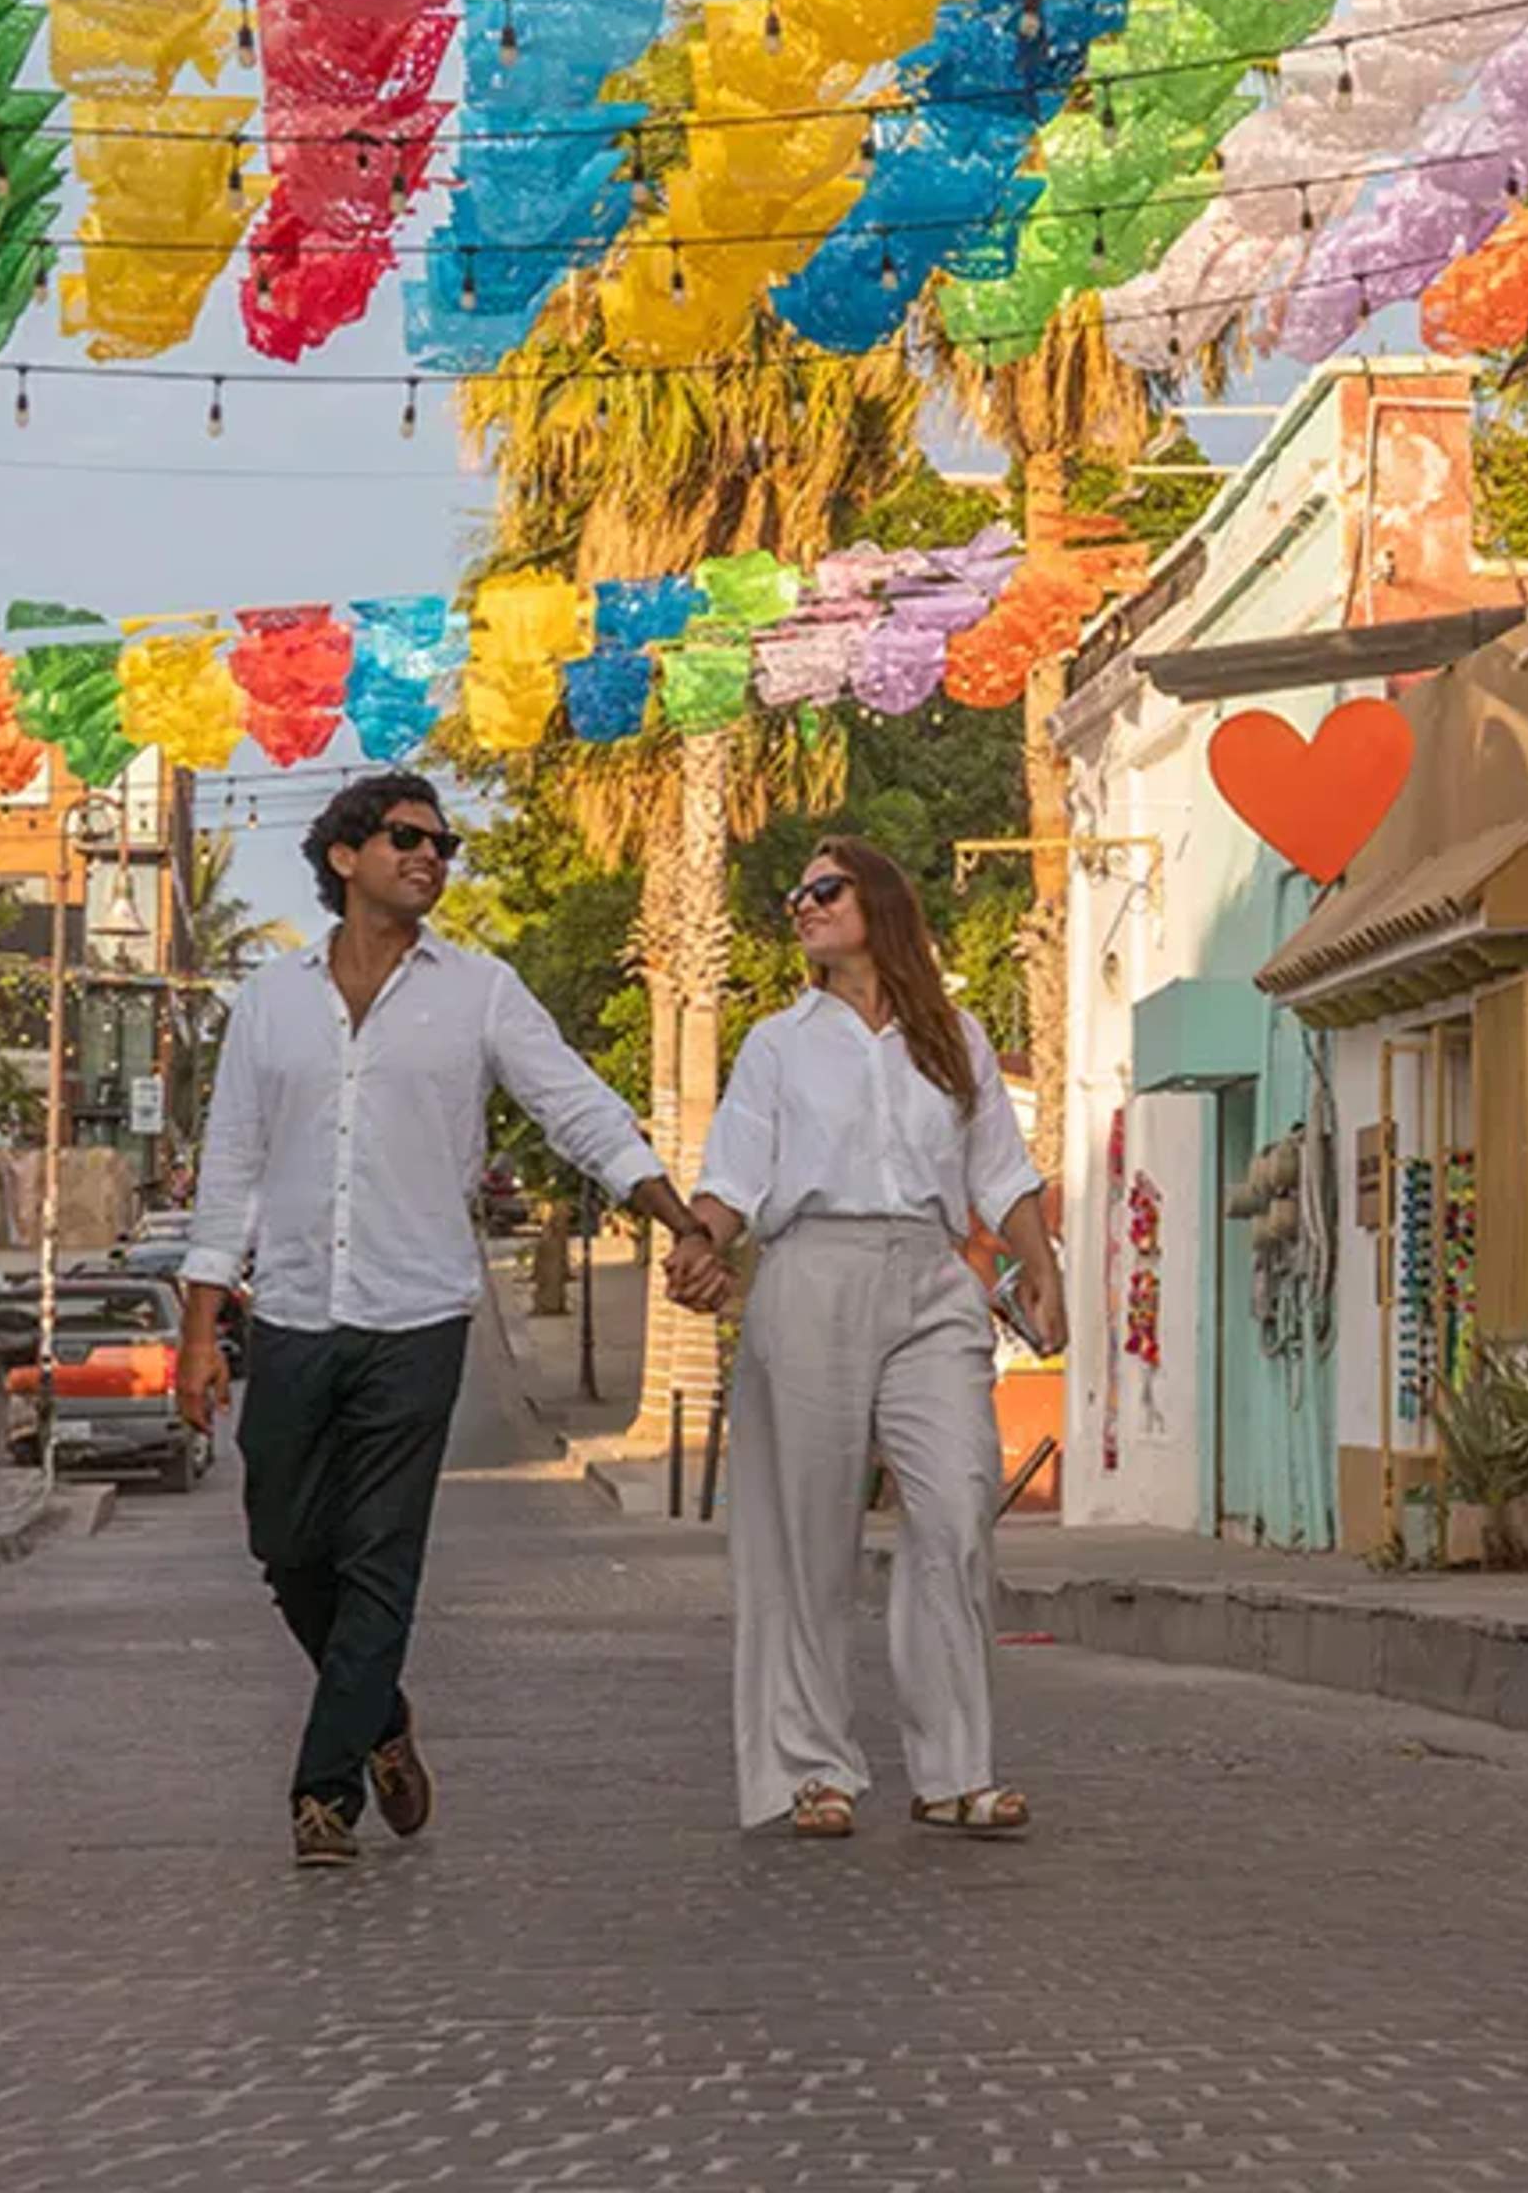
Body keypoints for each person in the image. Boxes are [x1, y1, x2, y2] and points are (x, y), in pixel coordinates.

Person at [175, 772, 722, 1868]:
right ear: (344, 858)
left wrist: (677, 1216)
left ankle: (324, 1793)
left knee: (380, 1554)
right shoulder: (270, 1002)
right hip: (293, 1310)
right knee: (286, 1543)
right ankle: (380, 1717)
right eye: (405, 838)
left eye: (443, 844)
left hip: (418, 1312)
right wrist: (199, 1328)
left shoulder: (481, 992)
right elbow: (230, 1165)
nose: (430, 856)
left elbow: (575, 1106)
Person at [671, 837, 1064, 1842]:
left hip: (932, 1277)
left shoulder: (955, 1038)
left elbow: (1001, 1170)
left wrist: (1042, 1266)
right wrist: (698, 1241)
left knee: (959, 1506)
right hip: (813, 1270)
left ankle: (955, 1772)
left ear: (880, 901)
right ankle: (814, 1770)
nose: (802, 904)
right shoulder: (778, 1044)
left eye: (824, 888)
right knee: (807, 1536)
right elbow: (734, 1175)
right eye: (796, 894)